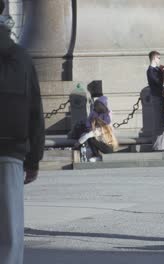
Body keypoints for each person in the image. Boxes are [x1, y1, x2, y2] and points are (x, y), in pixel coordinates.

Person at [0, 2, 45, 263]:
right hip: (11, 151)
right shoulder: (22, 58)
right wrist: (34, 158)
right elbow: (35, 111)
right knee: (10, 231)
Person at [77, 96, 118, 161]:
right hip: (107, 144)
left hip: (108, 148)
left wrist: (77, 144)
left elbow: (87, 135)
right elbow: (89, 120)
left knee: (91, 139)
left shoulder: (100, 127)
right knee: (92, 138)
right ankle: (96, 154)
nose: (95, 107)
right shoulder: (94, 113)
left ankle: (96, 155)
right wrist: (89, 127)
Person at [147, 50, 164, 151]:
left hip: (162, 97)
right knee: (158, 122)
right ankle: (157, 146)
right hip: (157, 98)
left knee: (163, 122)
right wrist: (163, 73)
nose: (160, 60)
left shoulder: (157, 70)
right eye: (159, 58)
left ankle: (163, 145)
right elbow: (159, 82)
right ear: (154, 58)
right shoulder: (151, 70)